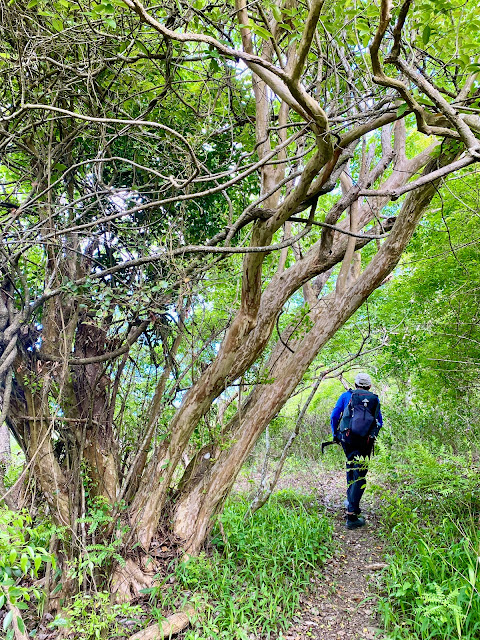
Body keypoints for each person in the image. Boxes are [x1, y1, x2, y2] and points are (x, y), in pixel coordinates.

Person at [330, 373, 382, 530]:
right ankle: (352, 514)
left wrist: (335, 434)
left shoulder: (347, 396)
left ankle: (351, 504)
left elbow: (334, 416)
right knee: (360, 474)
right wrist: (371, 435)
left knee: (352, 468)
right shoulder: (374, 399)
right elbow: (379, 421)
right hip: (365, 441)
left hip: (348, 439)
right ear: (369, 386)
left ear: (355, 384)